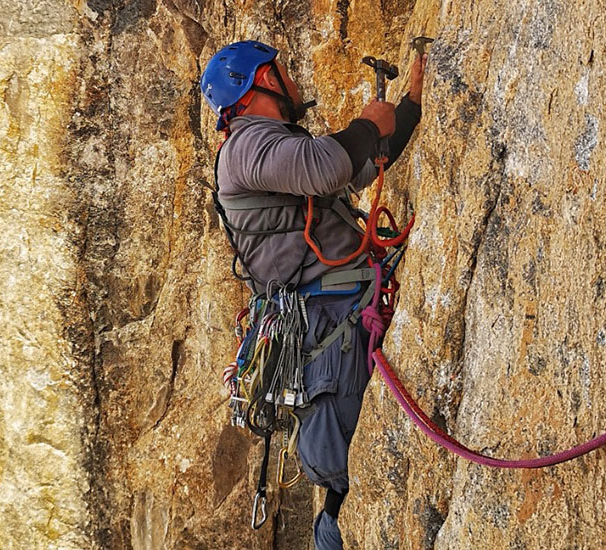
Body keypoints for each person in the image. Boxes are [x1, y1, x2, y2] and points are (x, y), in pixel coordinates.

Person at [200, 40, 426, 549]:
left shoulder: (270, 146)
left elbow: (359, 166)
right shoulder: (247, 146)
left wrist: (408, 106)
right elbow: (330, 162)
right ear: (257, 83)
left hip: (336, 318)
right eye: (280, 71)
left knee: (348, 476)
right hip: (329, 328)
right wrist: (368, 124)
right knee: (346, 480)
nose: (292, 79)